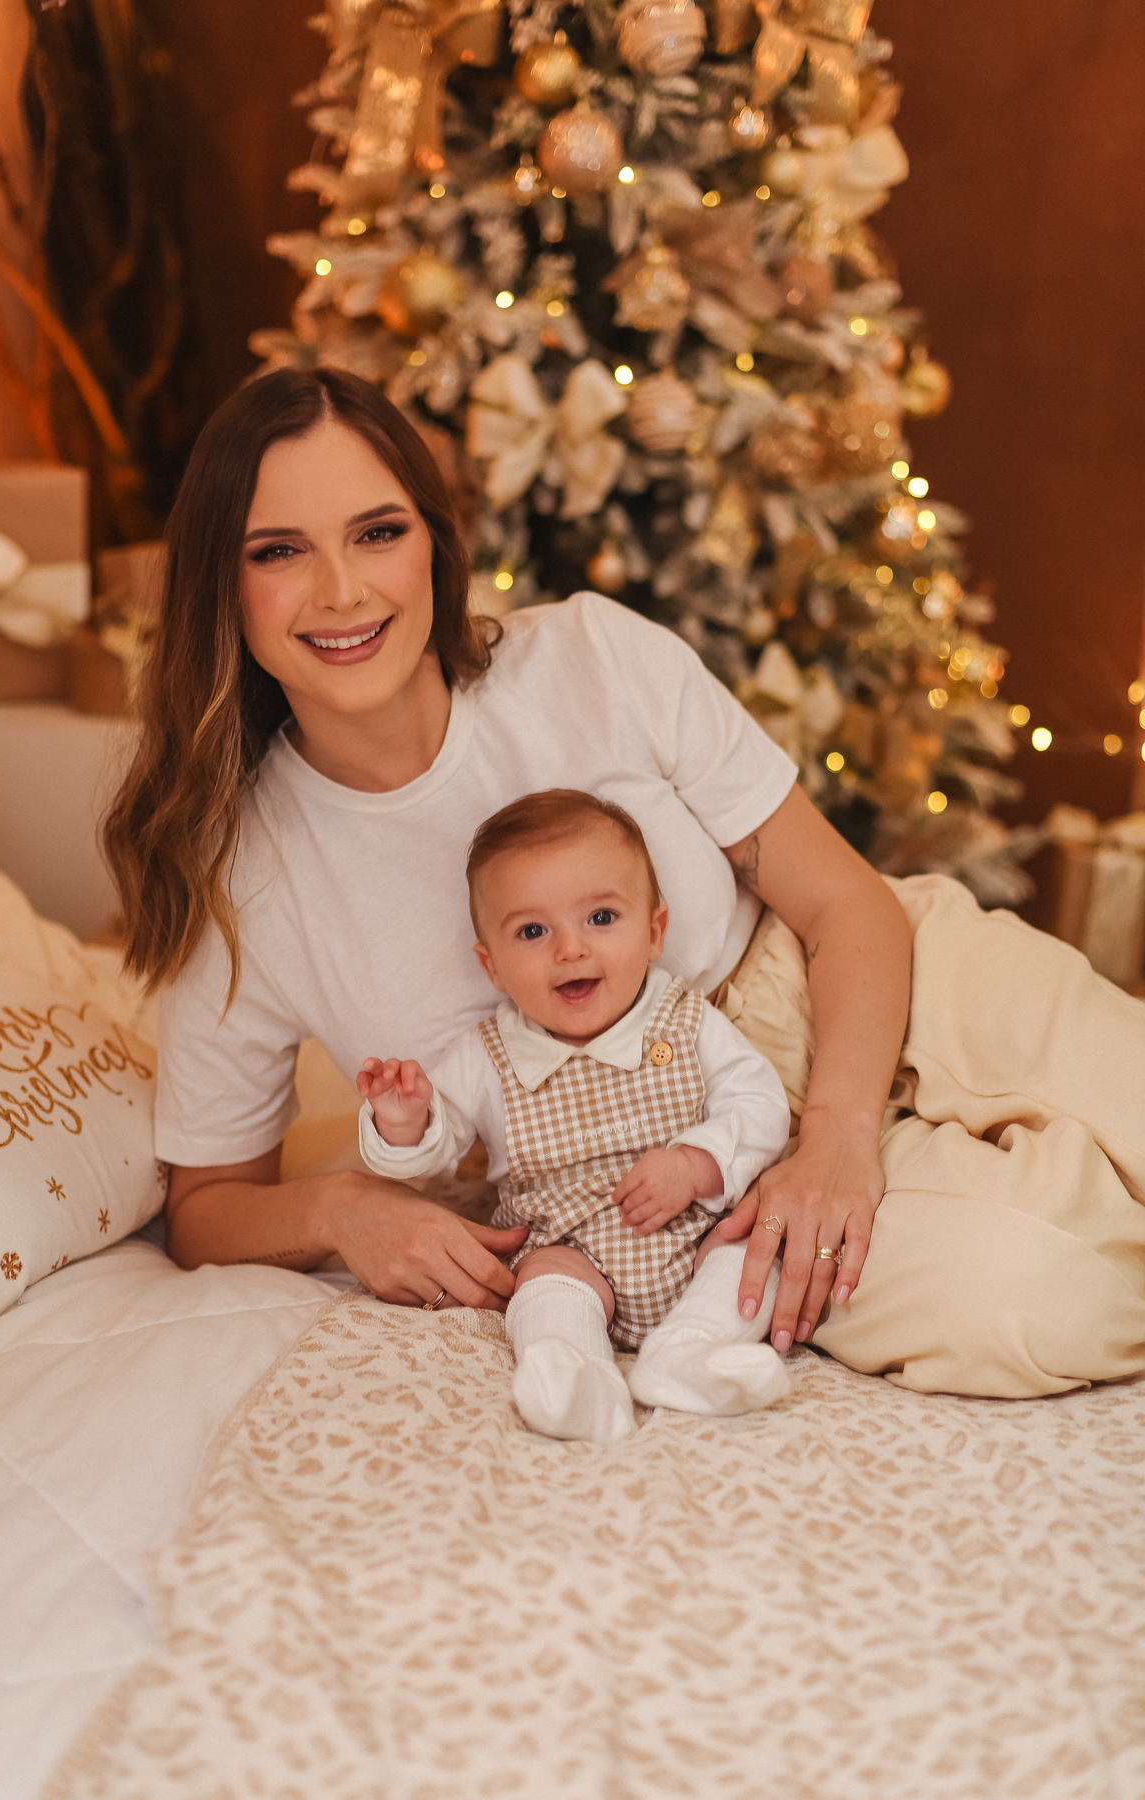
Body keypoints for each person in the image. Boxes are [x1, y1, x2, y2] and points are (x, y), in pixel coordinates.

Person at [105, 365, 1145, 1400]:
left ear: (434, 543)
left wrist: (836, 1138)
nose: (342, 590)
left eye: (378, 532)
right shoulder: (238, 877)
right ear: (220, 584)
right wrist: (341, 1210)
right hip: (664, 1196)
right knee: (1056, 1294)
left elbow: (845, 902)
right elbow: (207, 1205)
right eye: (279, 551)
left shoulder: (588, 655)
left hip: (848, 980)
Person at [356, 788, 793, 1443]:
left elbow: (760, 1103)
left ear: (654, 932)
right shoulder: (488, 1055)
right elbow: (435, 1150)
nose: (570, 949)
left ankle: (691, 1352)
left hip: (695, 1233)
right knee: (544, 1283)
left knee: (752, 1254)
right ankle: (572, 1373)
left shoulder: (684, 1019)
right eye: (532, 932)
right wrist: (405, 1119)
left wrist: (695, 1163)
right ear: (492, 965)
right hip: (571, 1250)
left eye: (601, 918)